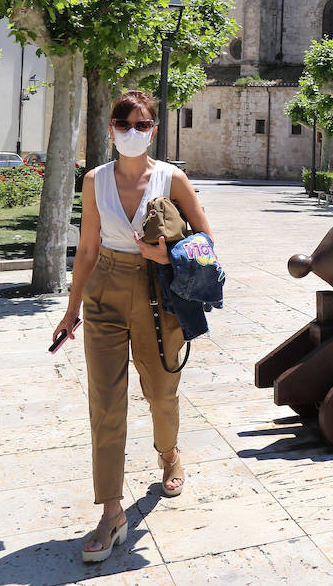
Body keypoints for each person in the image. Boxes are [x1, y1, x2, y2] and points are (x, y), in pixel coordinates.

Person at [51, 90, 213, 563]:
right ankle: (111, 511)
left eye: (143, 125)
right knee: (104, 401)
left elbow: (205, 239)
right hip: (104, 289)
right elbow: (85, 250)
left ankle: (169, 452)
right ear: (111, 130)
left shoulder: (171, 178)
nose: (133, 132)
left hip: (156, 294)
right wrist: (70, 310)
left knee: (161, 390)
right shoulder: (95, 180)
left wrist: (168, 254)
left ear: (154, 130)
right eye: (125, 124)